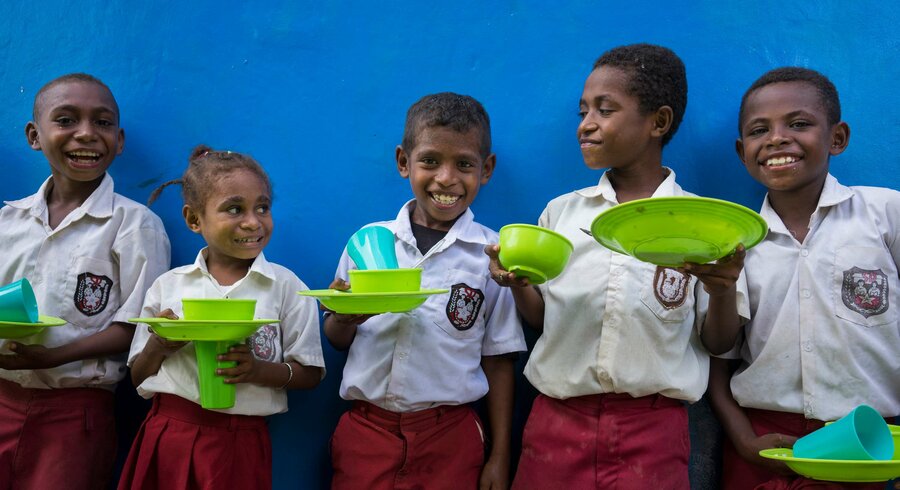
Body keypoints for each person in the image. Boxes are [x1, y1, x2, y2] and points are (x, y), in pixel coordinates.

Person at [485, 44, 748, 489]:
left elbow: (718, 340)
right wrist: (517, 285)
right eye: (583, 111)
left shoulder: (703, 223)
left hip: (654, 431)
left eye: (605, 110)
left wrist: (722, 290)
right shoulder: (562, 214)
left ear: (658, 123)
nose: (586, 125)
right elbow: (543, 319)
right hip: (555, 422)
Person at [708, 66, 900, 490]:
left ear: (837, 137)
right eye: (760, 130)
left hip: (866, 445)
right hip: (763, 444)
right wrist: (742, 439)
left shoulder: (886, 216)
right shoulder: (733, 241)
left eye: (798, 124)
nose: (777, 138)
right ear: (743, 151)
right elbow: (718, 359)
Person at [323, 92, 526, 490]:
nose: (446, 178)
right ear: (404, 162)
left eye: (464, 165)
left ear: (486, 169)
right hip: (367, 432)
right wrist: (342, 317)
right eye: (430, 161)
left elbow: (500, 361)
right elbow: (336, 336)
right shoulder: (367, 243)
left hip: (451, 436)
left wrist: (500, 455)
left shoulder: (494, 256)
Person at [117, 146, 325, 489]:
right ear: (193, 219)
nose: (253, 221)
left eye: (262, 207)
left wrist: (259, 371)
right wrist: (160, 344)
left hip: (240, 441)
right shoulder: (169, 286)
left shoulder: (285, 287)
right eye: (234, 209)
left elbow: (311, 373)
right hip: (169, 432)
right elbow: (138, 376)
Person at [0, 73, 171, 489]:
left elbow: (137, 326)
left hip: (77, 412)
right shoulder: (7, 222)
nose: (86, 134)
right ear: (34, 136)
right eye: (66, 120)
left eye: (103, 122)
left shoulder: (134, 226)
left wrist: (55, 356)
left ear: (120, 139)